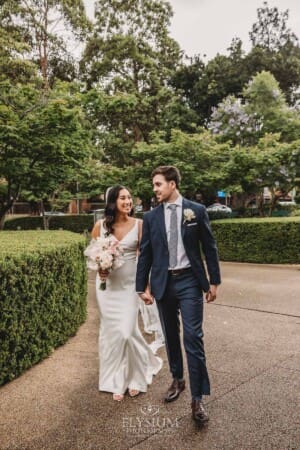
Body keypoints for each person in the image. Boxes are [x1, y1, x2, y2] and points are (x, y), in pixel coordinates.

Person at [136, 166, 221, 424]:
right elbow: (146, 252)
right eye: (154, 184)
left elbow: (209, 246)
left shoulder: (196, 210)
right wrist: (142, 285)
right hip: (163, 284)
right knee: (170, 335)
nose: (155, 189)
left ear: (172, 184)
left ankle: (197, 398)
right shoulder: (150, 217)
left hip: (190, 282)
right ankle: (177, 379)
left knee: (193, 337)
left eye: (158, 184)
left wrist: (213, 281)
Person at [91, 185, 162, 402]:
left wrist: (146, 287)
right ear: (113, 201)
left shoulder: (140, 225)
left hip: (131, 287)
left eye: (130, 198)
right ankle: (116, 380)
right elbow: (93, 254)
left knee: (126, 331)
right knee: (112, 333)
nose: (128, 201)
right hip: (107, 288)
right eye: (123, 198)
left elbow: (146, 259)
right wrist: (100, 268)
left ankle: (138, 375)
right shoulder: (100, 226)